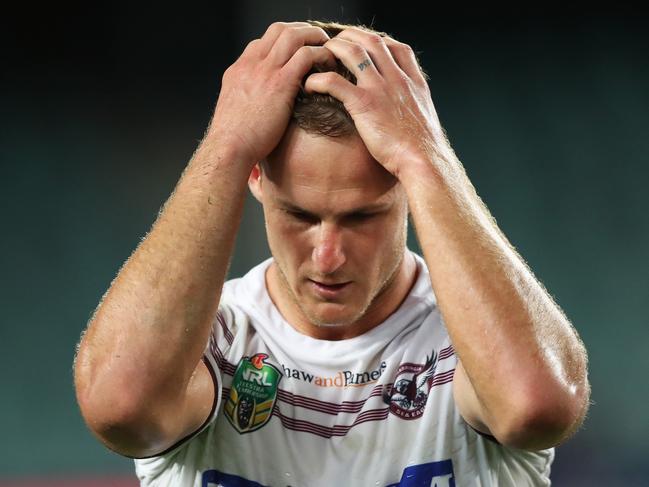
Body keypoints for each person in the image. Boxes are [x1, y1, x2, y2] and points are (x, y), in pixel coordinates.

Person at [73, 20, 590, 486]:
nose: (328, 257)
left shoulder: (467, 343)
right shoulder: (210, 339)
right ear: (255, 177)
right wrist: (227, 144)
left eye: (362, 217)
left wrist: (426, 156)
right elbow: (121, 409)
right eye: (300, 216)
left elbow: (536, 409)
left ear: (409, 190)